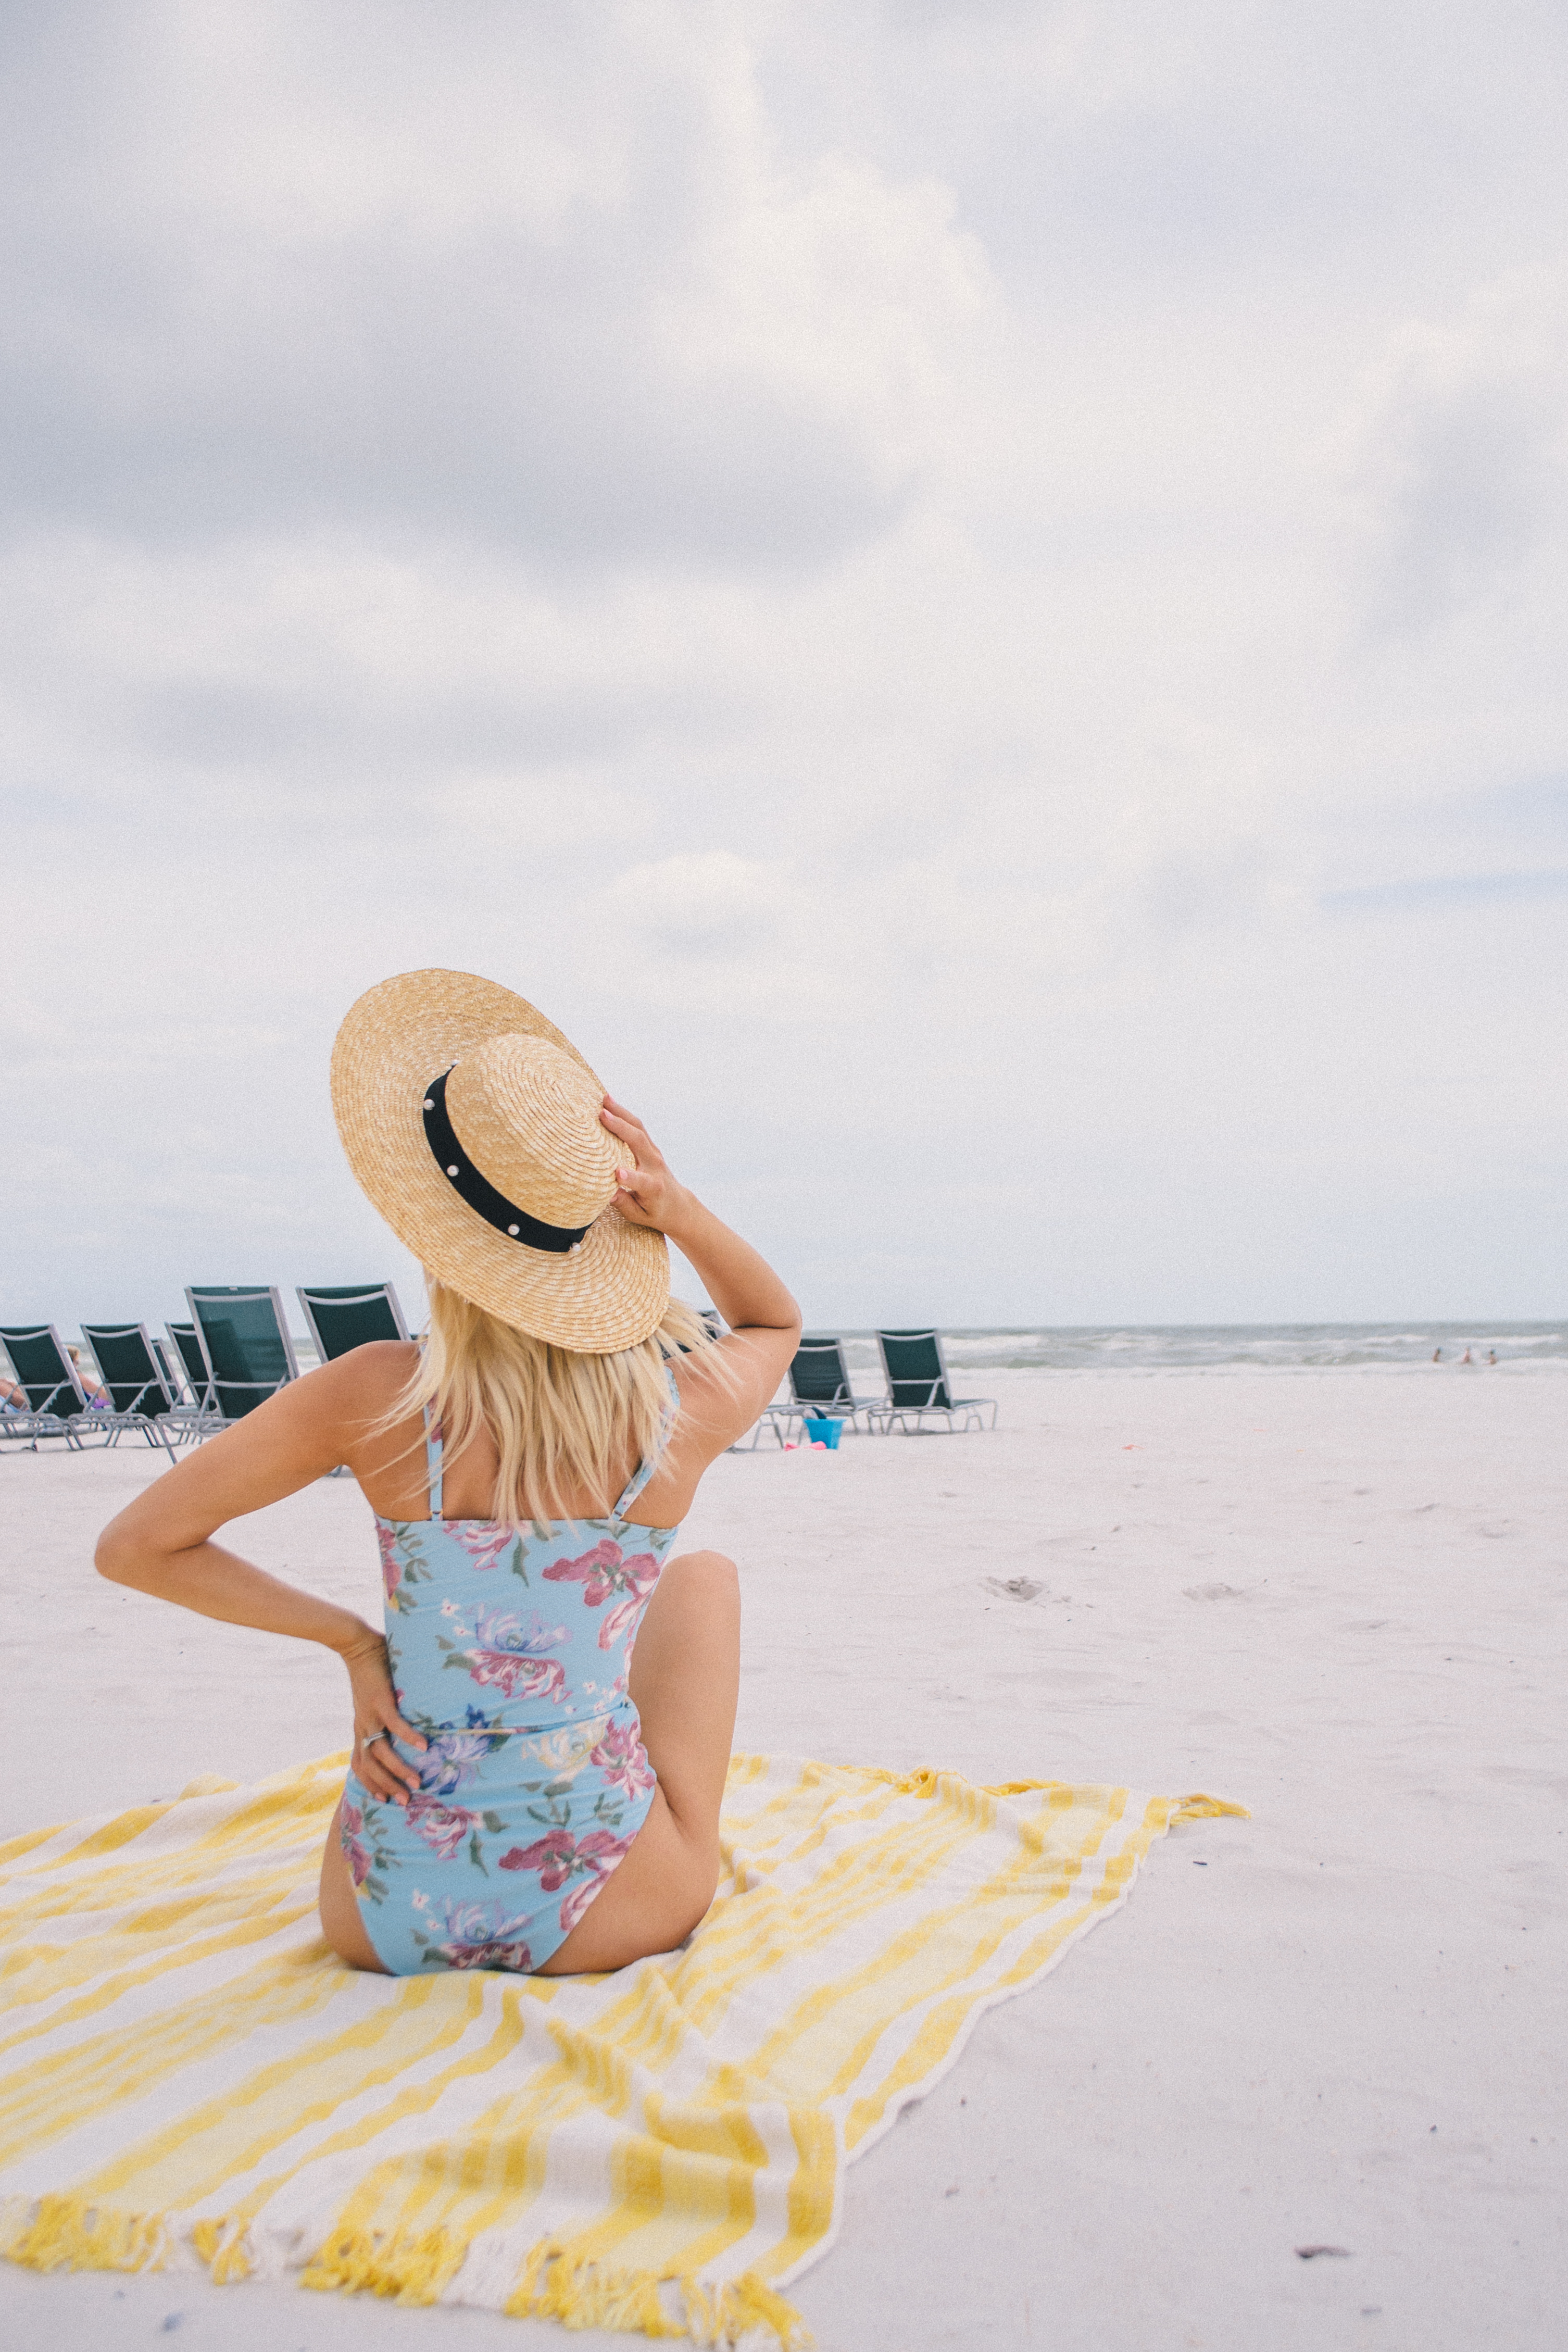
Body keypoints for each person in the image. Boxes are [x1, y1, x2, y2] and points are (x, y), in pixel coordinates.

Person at [96, 969, 801, 1980]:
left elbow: (135, 1547)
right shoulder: (675, 1407)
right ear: (599, 1238)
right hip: (605, 1904)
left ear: (434, 1229)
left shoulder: (375, 1394)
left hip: (383, 1906)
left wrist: (352, 1642)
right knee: (704, 1578)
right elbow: (774, 1319)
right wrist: (680, 1210)